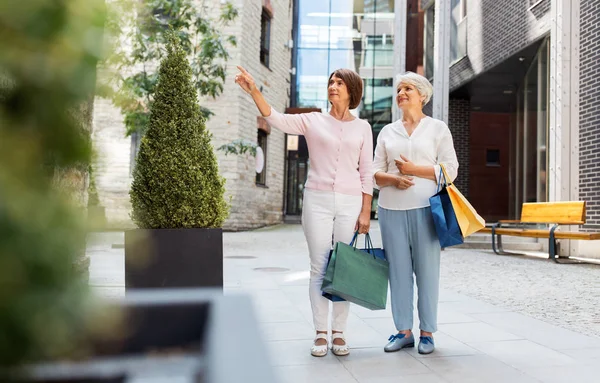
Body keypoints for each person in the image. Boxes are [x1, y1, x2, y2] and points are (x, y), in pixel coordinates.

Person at [235, 66, 374, 357]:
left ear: (352, 91)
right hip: (317, 200)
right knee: (319, 266)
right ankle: (321, 333)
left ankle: (339, 333)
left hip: (350, 203)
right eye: (331, 82)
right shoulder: (312, 120)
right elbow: (275, 118)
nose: (333, 86)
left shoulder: (363, 128)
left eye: (339, 82)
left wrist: (365, 211)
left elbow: (366, 173)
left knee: (344, 267)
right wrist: (253, 90)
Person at [372, 71, 458, 355]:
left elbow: (450, 170)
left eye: (408, 88)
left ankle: (427, 333)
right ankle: (403, 331)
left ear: (422, 95)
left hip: (426, 210)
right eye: (399, 89)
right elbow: (374, 174)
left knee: (427, 272)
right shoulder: (387, 132)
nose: (401, 93)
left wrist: (413, 171)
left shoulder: (437, 128)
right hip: (390, 210)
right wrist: (394, 179)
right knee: (398, 273)